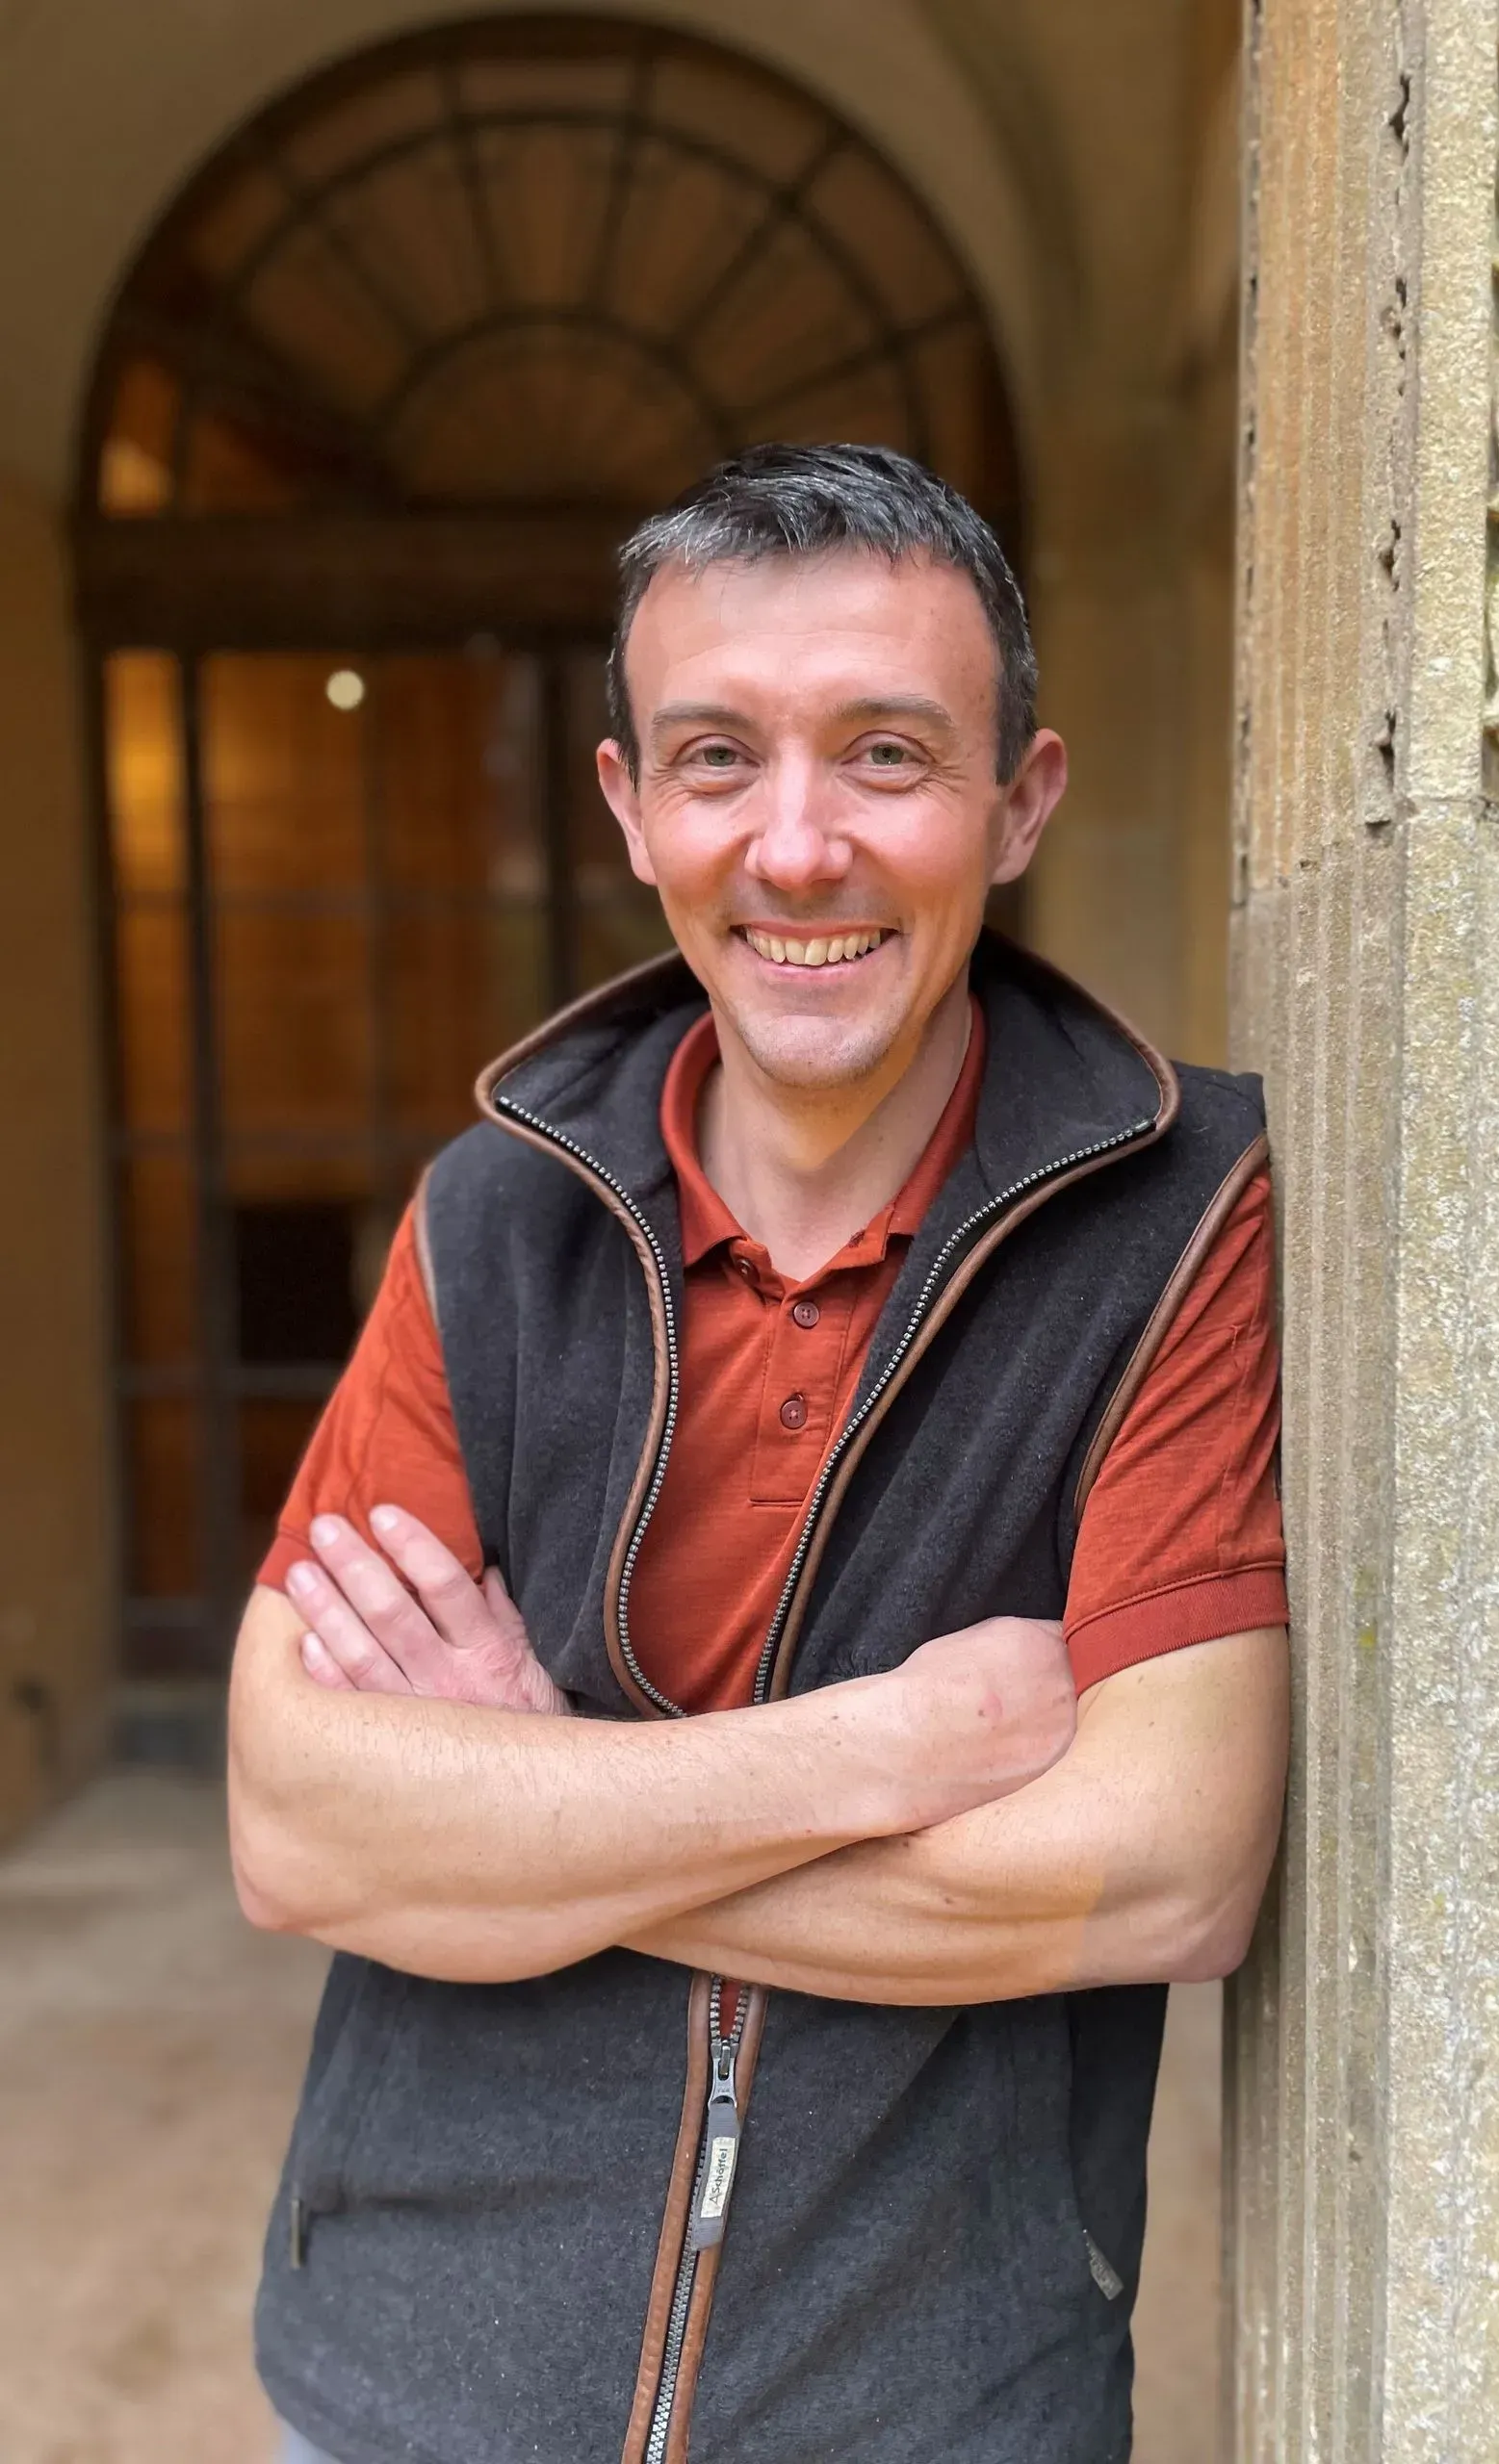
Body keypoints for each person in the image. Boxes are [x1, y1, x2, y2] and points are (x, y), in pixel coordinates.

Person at [229, 443, 1289, 2464]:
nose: (796, 846)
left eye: (885, 753)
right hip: (413, 2379)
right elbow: (296, 1825)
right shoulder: (488, 1212)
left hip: (934, 2400)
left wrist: (527, 1803)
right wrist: (876, 1750)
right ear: (633, 808)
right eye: (718, 758)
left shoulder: (1182, 1213)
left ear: (1020, 797)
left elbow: (1163, 1867)